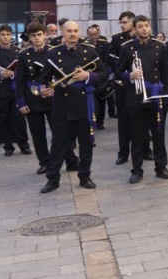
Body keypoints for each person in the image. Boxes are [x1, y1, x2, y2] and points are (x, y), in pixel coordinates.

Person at [39, 21, 104, 193]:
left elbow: (104, 74)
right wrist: (44, 90)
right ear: (62, 32)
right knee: (58, 144)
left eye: (75, 31)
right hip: (62, 105)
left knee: (86, 143)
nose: (73, 34)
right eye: (69, 31)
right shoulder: (53, 53)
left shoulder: (89, 51)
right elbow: (44, 78)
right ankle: (52, 179)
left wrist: (87, 75)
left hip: (83, 104)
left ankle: (84, 176)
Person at [114, 15, 168, 183]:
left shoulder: (160, 46)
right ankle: (137, 170)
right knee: (138, 136)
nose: (144, 29)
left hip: (156, 96)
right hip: (136, 97)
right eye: (140, 26)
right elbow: (117, 73)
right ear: (135, 29)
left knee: (158, 134)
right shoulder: (127, 48)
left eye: (146, 26)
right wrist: (130, 75)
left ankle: (161, 167)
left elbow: (165, 73)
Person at [15, 22, 79, 175]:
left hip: (54, 96)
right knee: (37, 133)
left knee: (60, 132)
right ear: (29, 38)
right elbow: (20, 80)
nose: (37, 38)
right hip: (33, 97)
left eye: (39, 35)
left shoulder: (54, 51)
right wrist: (21, 101)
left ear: (44, 35)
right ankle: (44, 161)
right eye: (33, 36)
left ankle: (70, 159)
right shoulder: (23, 55)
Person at [0, 25, 31, 157]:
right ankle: (8, 146)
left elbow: (26, 71)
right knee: (3, 120)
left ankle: (24, 145)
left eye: (8, 34)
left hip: (16, 90)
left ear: (11, 36)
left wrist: (12, 74)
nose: (5, 37)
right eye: (3, 34)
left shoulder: (19, 52)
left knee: (19, 119)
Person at [109, 11, 137, 165]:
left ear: (133, 22)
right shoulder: (116, 39)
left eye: (125, 22)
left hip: (140, 84)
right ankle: (123, 153)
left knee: (141, 120)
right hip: (123, 84)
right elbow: (109, 57)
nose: (122, 25)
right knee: (124, 121)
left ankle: (145, 150)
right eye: (120, 22)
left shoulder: (141, 36)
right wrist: (123, 68)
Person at [86, 24, 112, 130]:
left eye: (95, 34)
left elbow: (107, 58)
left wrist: (106, 71)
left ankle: (100, 121)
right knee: (92, 98)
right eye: (91, 34)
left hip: (101, 73)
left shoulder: (104, 44)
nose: (93, 36)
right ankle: (93, 120)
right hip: (90, 73)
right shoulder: (85, 45)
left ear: (98, 34)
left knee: (102, 98)